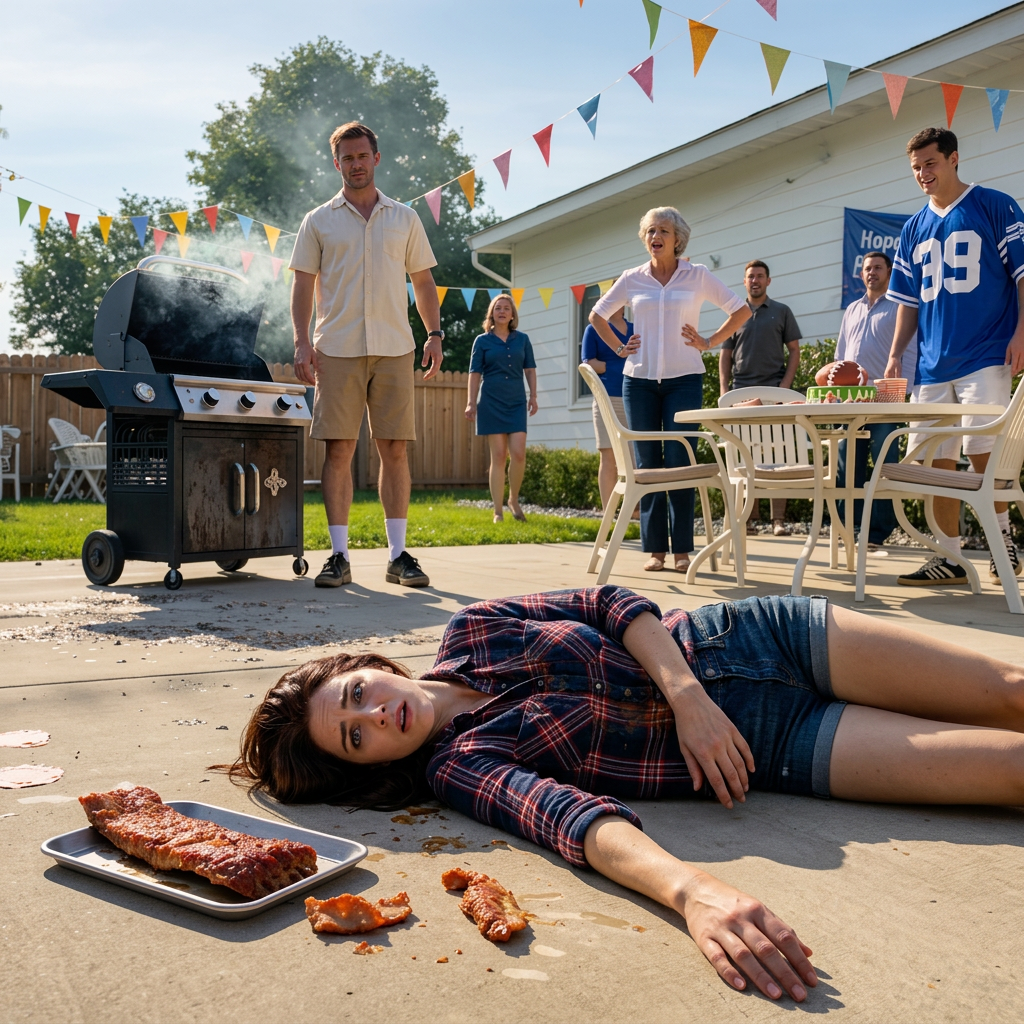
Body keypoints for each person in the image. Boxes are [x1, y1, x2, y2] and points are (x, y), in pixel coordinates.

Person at [225, 584, 1024, 1003]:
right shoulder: (459, 766)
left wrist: (689, 700)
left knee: (1014, 686)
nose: (373, 715)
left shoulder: (473, 627)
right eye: (354, 737)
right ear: (365, 766)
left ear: (370, 666)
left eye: (357, 693)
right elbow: (572, 820)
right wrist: (695, 892)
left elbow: (609, 603)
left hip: (753, 638)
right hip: (777, 747)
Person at [290, 121, 443, 591]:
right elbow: (301, 285)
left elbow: (422, 282)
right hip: (336, 348)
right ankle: (338, 556)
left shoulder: (405, 218)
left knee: (394, 449)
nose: (356, 164)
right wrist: (301, 341)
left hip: (396, 347)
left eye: (362, 156)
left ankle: (399, 556)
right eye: (347, 158)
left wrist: (435, 333)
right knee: (339, 449)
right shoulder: (318, 221)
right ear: (336, 164)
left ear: (376, 158)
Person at [885, 126, 1024, 587]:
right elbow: (907, 303)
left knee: (985, 454)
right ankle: (948, 556)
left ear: (954, 159)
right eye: (916, 167)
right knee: (935, 460)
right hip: (931, 363)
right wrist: (893, 358)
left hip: (985, 350)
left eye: (931, 163)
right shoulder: (912, 228)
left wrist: (1022, 331)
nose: (923, 173)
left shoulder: (994, 204)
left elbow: (1022, 274)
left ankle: (1003, 539)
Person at [589, 207, 750, 573]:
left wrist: (709, 341)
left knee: (680, 464)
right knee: (648, 465)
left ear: (678, 238)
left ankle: (682, 552)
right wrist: (619, 347)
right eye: (649, 231)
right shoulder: (632, 278)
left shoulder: (697, 276)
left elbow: (740, 312)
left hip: (684, 380)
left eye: (662, 230)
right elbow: (597, 315)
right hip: (639, 382)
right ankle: (655, 551)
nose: (654, 237)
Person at [833, 252, 918, 555]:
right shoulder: (852, 310)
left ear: (889, 272)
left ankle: (876, 532)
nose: (872, 273)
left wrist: (903, 392)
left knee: (884, 466)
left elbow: (911, 351)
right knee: (847, 464)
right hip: (852, 402)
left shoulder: (899, 307)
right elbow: (840, 357)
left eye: (878, 268)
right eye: (867, 269)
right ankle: (847, 528)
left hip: (885, 398)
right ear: (861, 275)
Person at [720, 260, 803, 536]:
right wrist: (724, 392)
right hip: (741, 394)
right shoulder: (735, 314)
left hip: (773, 393)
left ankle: (778, 521)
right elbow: (725, 355)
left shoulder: (782, 312)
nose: (754, 280)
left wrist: (784, 387)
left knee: (778, 455)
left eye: (759, 276)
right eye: (750, 277)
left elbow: (794, 350)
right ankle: (749, 520)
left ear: (768, 281)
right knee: (747, 458)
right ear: (744, 282)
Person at [465, 294, 538, 522]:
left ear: (512, 314)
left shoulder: (523, 339)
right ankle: (498, 510)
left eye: (507, 308)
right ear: (492, 314)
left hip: (516, 401)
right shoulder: (482, 341)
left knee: (518, 453)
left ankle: (513, 500)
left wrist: (533, 396)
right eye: (498, 308)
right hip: (491, 401)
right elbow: (475, 374)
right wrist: (470, 402)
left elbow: (530, 369)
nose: (503, 311)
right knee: (498, 456)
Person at [580, 304, 634, 508]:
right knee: (608, 455)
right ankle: (609, 513)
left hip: (634, 398)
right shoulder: (593, 329)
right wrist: (616, 368)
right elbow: (587, 363)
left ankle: (634, 511)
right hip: (606, 399)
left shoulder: (635, 328)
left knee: (633, 456)